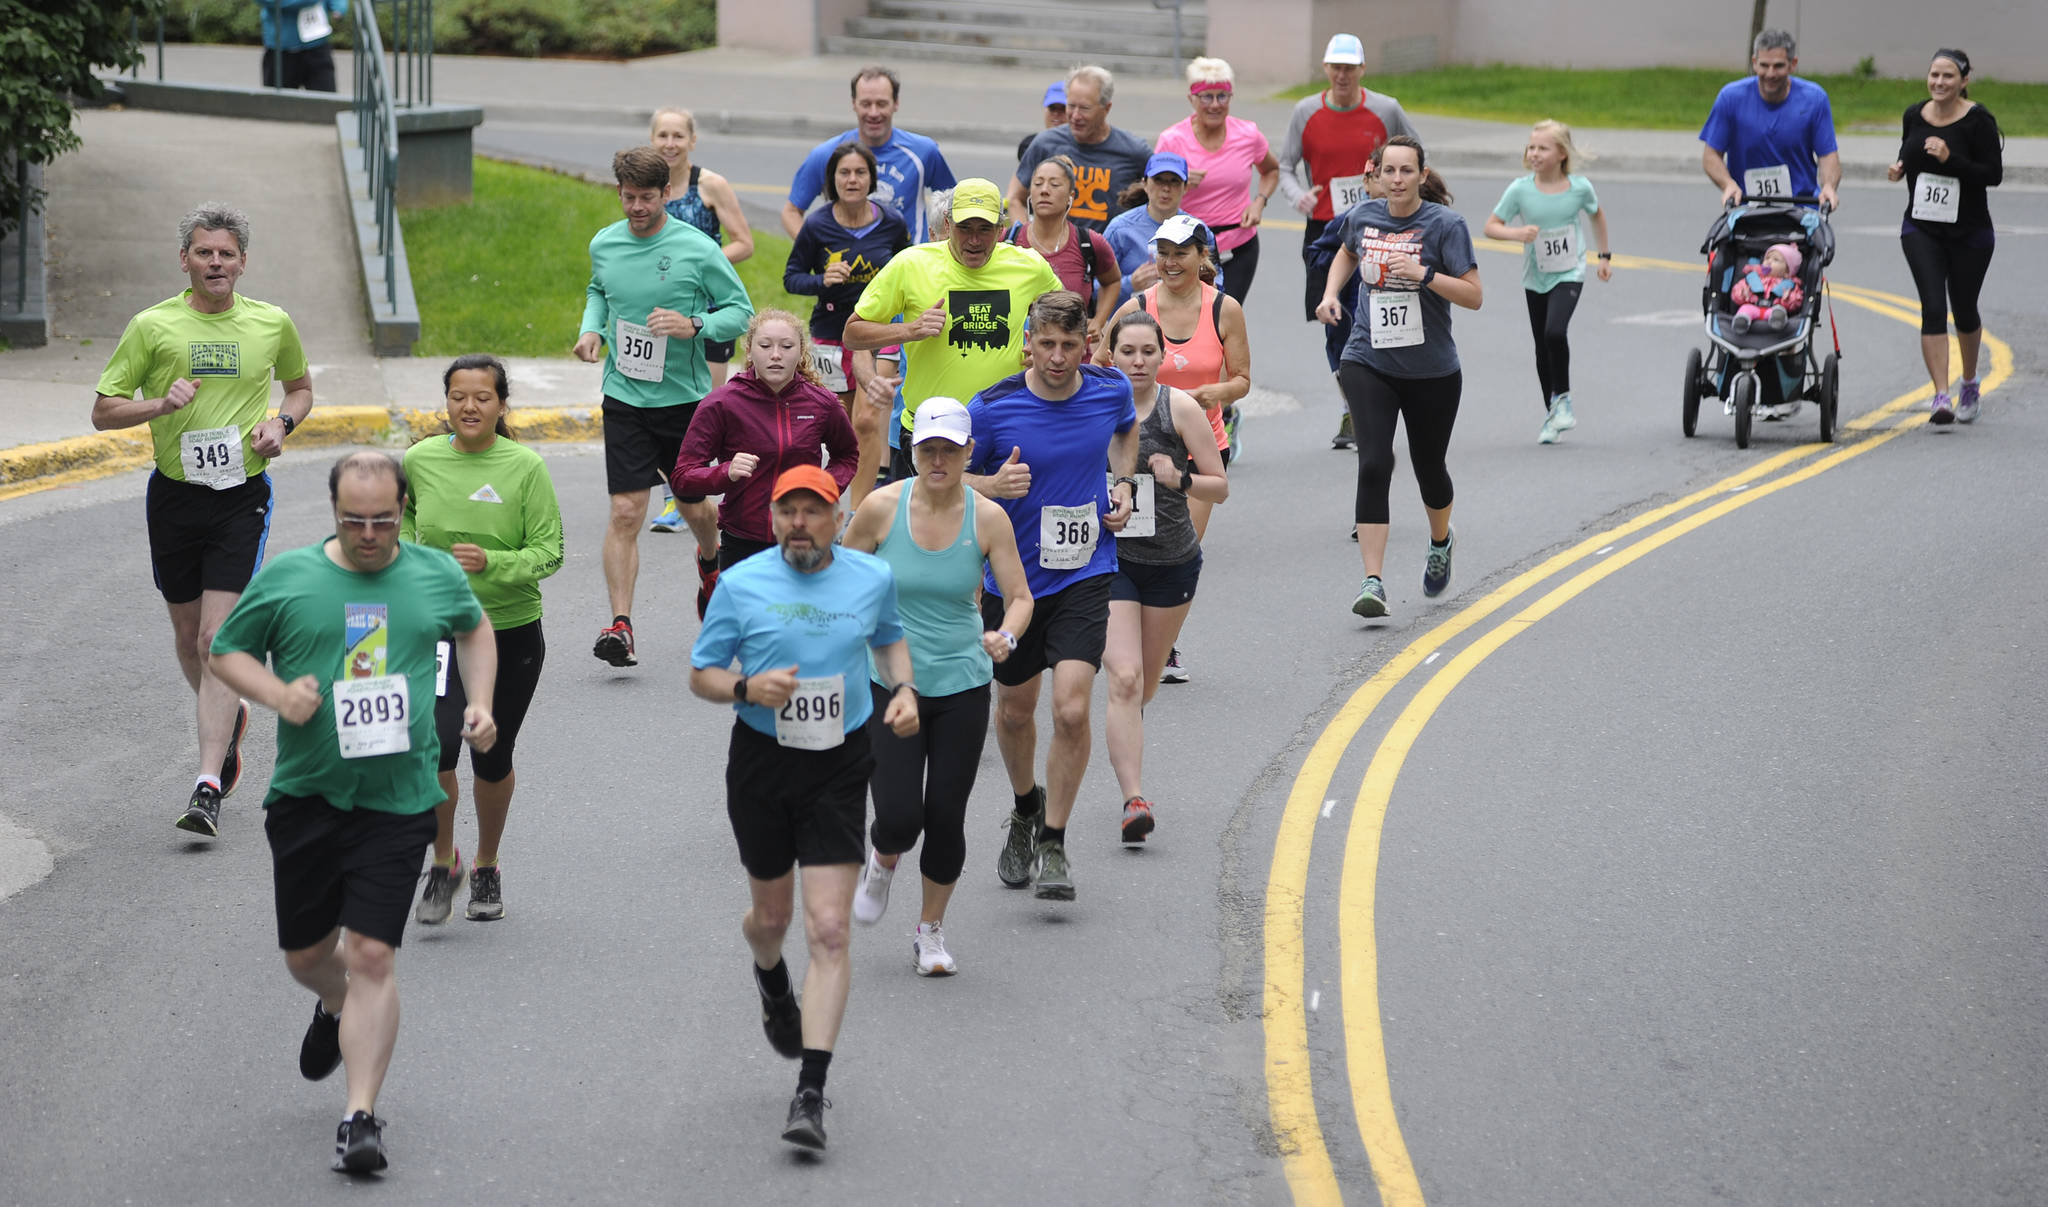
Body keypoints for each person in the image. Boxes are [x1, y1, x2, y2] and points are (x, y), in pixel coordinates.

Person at [208, 451, 497, 1175]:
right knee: (308, 954)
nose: (369, 534)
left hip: (399, 798)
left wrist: (482, 702)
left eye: (384, 520)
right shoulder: (291, 578)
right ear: (334, 511)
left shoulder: (434, 573)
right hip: (307, 794)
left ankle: (359, 1114)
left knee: (373, 952)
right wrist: (276, 695)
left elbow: (474, 627)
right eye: (353, 520)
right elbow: (226, 650)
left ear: (405, 509)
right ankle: (331, 1003)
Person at [688, 465, 920, 1151]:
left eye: (812, 511)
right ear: (772, 520)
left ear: (835, 519)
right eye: (787, 511)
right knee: (771, 918)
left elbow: (888, 636)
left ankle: (810, 1091)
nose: (799, 523)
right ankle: (770, 978)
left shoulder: (869, 578)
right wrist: (745, 687)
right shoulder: (740, 583)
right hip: (762, 763)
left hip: (840, 764)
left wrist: (902, 688)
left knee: (828, 928)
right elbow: (701, 672)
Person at [92, 202, 314, 837]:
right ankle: (229, 712)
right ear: (184, 259)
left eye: (226, 253)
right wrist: (160, 403)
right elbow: (104, 410)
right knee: (190, 636)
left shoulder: (271, 323)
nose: (215, 263)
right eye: (203, 252)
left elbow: (299, 388)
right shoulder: (151, 326)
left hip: (240, 494)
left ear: (243, 262)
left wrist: (281, 423)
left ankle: (207, 782)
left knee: (216, 640)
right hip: (174, 495)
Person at [841, 399, 1032, 975]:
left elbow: (1020, 597)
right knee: (901, 817)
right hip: (892, 682)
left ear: (969, 451)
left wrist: (1007, 636)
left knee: (946, 814)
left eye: (951, 449)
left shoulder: (986, 517)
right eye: (928, 449)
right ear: (913, 451)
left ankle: (930, 933)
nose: (939, 459)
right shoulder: (879, 509)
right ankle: (882, 856)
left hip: (962, 683)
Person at [963, 292, 1139, 901]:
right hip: (1012, 583)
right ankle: (1023, 809)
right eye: (1047, 344)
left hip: (1086, 572)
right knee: (1014, 711)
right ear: (1028, 343)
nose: (1059, 357)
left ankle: (1055, 842)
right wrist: (989, 482)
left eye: (1071, 345)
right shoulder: (991, 408)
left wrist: (1122, 487)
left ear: (1087, 344)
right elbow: (938, 474)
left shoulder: (1109, 389)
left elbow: (1126, 430)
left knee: (1069, 707)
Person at [574, 147, 754, 664]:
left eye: (646, 198)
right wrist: (590, 330)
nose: (636, 207)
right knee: (627, 510)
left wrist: (694, 325)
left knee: (697, 507)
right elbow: (598, 291)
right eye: (628, 197)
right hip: (625, 396)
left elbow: (740, 313)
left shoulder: (696, 248)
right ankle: (621, 626)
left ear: (667, 195)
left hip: (685, 401)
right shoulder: (604, 244)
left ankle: (710, 556)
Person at [401, 356, 563, 925]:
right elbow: (399, 525)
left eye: (483, 397)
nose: (469, 407)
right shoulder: (419, 460)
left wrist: (490, 562)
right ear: (446, 402)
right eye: (458, 396)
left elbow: (550, 552)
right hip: (437, 627)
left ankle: (488, 863)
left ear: (501, 404)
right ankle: (443, 863)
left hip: (510, 630)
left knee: (490, 755)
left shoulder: (524, 467)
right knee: (437, 750)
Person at [1316, 136, 1482, 620]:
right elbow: (1346, 252)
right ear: (1377, 174)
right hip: (1368, 360)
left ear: (1422, 176)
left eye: (1407, 171)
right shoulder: (1364, 216)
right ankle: (1373, 581)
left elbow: (1474, 296)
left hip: (1432, 369)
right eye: (1389, 171)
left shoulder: (1446, 225)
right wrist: (1331, 294)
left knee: (1430, 468)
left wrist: (1424, 274)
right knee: (1373, 463)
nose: (1397, 179)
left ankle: (1439, 540)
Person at [1095, 214, 1247, 684]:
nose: (1171, 262)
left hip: (1200, 449)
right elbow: (1100, 364)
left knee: (1182, 549)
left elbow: (1242, 379)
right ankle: (1125, 635)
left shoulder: (1224, 307)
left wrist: (1212, 396)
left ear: (1203, 257)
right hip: (1135, 447)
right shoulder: (1137, 306)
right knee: (1132, 543)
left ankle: (1165, 641)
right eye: (1164, 253)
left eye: (1182, 252)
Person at [1099, 310, 1228, 842]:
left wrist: (1180, 479)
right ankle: (1133, 800)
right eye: (1127, 351)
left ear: (1161, 356)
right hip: (1109, 563)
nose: (1137, 361)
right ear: (1110, 354)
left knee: (1144, 685)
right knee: (1123, 678)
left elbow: (1219, 487)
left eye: (1147, 352)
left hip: (1172, 562)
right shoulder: (1092, 404)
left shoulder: (1181, 408)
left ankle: (1130, 729)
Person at [843, 179, 1062, 483]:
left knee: (1002, 526)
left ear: (1001, 230)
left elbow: (1064, 321)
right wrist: (910, 330)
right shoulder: (912, 265)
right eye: (964, 228)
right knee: (925, 527)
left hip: (1005, 425)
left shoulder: (1029, 266)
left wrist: (1042, 349)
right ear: (947, 224)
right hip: (930, 429)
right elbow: (852, 333)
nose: (974, 240)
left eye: (984, 229)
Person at [1281, 34, 1417, 447]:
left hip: (1380, 227)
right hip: (1326, 231)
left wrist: (1405, 200)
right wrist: (1297, 195)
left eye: (1349, 67)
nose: (1341, 74)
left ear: (1361, 69)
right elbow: (1286, 164)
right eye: (1334, 67)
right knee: (1335, 323)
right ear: (1325, 69)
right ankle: (1351, 408)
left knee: (1381, 320)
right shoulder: (1305, 111)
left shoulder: (1386, 109)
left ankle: (1381, 405)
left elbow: (1415, 155)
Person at [1700, 29, 1840, 421]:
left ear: (1792, 65)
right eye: (1763, 66)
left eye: (1779, 66)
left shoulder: (1813, 99)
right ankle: (1733, 364)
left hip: (1797, 210)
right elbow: (1711, 154)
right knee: (1733, 272)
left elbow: (1828, 154)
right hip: (1748, 209)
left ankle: (1786, 379)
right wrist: (1728, 183)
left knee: (1797, 286)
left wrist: (1828, 187)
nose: (1771, 74)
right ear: (1753, 63)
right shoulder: (1732, 97)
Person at [672, 309, 862, 565]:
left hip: (804, 534)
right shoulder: (721, 403)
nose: (775, 355)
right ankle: (709, 573)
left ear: (801, 350)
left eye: (786, 346)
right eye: (765, 345)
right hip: (743, 538)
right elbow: (683, 477)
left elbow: (847, 455)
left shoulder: (822, 403)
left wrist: (823, 488)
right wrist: (725, 472)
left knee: (798, 606)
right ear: (749, 350)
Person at [648, 106, 756, 534]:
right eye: (663, 136)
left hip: (708, 313)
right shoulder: (648, 188)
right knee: (656, 406)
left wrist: (698, 268)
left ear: (692, 141)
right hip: (659, 316)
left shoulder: (709, 185)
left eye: (678, 136)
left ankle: (708, 491)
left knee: (701, 409)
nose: (670, 144)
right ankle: (673, 498)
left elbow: (744, 243)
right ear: (652, 139)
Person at [783, 139, 911, 484]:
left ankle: (860, 507)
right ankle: (832, 494)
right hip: (831, 334)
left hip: (875, 333)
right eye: (844, 173)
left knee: (867, 420)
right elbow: (791, 279)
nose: (852, 180)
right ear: (832, 180)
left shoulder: (892, 223)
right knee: (839, 425)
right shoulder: (817, 225)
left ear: (871, 179)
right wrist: (822, 280)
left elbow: (908, 269)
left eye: (860, 172)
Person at [1888, 47, 2003, 425]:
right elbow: (1909, 153)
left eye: (1948, 76)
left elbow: (1992, 175)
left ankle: (1969, 382)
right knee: (1933, 307)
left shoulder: (1978, 122)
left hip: (1970, 232)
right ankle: (1941, 395)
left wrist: (1949, 159)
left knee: (1964, 309)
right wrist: (1900, 168)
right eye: (1934, 75)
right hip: (1921, 227)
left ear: (1965, 81)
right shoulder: (1913, 115)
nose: (1939, 83)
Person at [1483, 120, 1611, 445]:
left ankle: (1564, 398)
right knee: (1541, 345)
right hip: (1535, 275)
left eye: (1542, 148)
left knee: (1555, 331)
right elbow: (1491, 226)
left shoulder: (1579, 187)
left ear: (1562, 154)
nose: (1534, 153)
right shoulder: (1520, 189)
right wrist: (1516, 234)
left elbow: (1597, 215)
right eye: (1531, 147)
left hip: (1570, 270)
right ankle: (1553, 411)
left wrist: (1604, 256)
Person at [1151, 57, 1281, 308]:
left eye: (1222, 96)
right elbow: (1153, 190)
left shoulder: (1248, 134)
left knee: (1224, 315)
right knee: (1188, 315)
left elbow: (1271, 170)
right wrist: (1182, 183)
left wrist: (1259, 202)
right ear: (1191, 99)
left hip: (1238, 243)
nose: (1214, 105)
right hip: (1186, 246)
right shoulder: (1172, 140)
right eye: (1206, 97)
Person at [780, 66, 957, 245]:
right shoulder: (826, 155)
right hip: (848, 268)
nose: (873, 113)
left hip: (908, 267)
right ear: (854, 103)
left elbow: (953, 206)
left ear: (896, 103)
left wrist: (938, 250)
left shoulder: (924, 151)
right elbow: (791, 212)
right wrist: (817, 250)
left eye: (881, 104)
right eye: (866, 104)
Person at [1010, 65, 1153, 232]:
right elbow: (1016, 199)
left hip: (1109, 255)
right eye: (1070, 106)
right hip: (1053, 255)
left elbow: (1159, 201)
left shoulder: (1134, 151)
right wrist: (1026, 243)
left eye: (1084, 108)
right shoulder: (1046, 143)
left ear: (1106, 108)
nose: (1076, 116)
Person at [1006, 154, 1122, 346]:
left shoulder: (1089, 242)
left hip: (1073, 361)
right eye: (1038, 183)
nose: (1044, 190)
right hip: (1015, 359)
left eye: (1054, 184)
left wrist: (1099, 321)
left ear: (1071, 196)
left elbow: (1112, 281)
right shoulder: (1007, 241)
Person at [1103, 152, 1220, 308]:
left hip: (1183, 320)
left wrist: (1202, 284)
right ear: (1145, 184)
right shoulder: (1119, 229)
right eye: (1158, 180)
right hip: (1131, 323)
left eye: (1174, 181)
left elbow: (1217, 280)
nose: (1166, 188)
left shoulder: (1198, 230)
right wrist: (1130, 284)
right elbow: (1094, 286)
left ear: (1185, 188)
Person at [257, 0, 346, 92]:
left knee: (325, 101)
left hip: (317, 45)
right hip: (281, 50)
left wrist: (338, 6)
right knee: (279, 103)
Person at [1728, 243, 1805, 332]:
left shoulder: (1789, 284)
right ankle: (1741, 323)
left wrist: (1787, 298)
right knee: (1744, 308)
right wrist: (1744, 294)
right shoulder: (1753, 277)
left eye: (1776, 260)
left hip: (1774, 308)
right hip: (1753, 306)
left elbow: (1796, 301)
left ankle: (1777, 320)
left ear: (1787, 272)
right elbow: (1736, 293)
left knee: (1779, 310)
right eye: (1767, 258)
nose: (1769, 261)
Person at [1019, 82, 1068, 163]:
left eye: (1063, 109)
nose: (1056, 114)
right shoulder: (1030, 146)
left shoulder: (1082, 149)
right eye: (1052, 108)